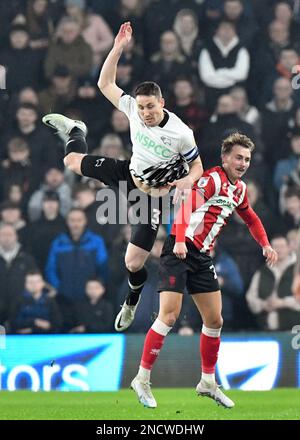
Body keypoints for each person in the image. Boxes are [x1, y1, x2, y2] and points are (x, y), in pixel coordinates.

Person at [42, 22, 203, 332]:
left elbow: (197, 167)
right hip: (129, 174)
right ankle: (78, 130)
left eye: (151, 107)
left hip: (152, 198)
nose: (145, 113)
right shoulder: (132, 109)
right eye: (141, 107)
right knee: (71, 160)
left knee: (133, 264)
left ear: (162, 103)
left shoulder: (181, 133)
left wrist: (187, 180)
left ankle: (131, 298)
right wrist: (117, 48)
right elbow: (105, 84)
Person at [130, 133, 278, 409]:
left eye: (247, 159)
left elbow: (252, 219)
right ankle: (142, 378)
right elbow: (185, 207)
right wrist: (182, 239)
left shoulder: (240, 190)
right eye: (238, 157)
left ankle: (208, 382)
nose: (243, 163)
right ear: (225, 158)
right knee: (169, 315)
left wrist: (266, 244)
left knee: (215, 320)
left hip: (200, 257)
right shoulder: (212, 180)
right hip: (179, 248)